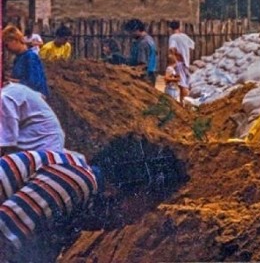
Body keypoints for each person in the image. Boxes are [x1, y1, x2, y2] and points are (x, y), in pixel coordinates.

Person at [0, 77, 99, 254]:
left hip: (45, 160)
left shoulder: (6, 97)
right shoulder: (17, 90)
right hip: (48, 158)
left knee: (15, 224)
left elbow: (5, 141)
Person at [2, 25, 49, 97]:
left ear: (15, 40)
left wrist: (12, 82)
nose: (7, 48)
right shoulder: (18, 58)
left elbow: (33, 83)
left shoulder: (30, 57)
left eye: (7, 45)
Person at [123, 19, 158, 86]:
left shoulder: (143, 43)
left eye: (131, 32)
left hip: (145, 76)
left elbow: (142, 64)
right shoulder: (149, 39)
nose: (130, 34)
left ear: (137, 30)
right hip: (151, 73)